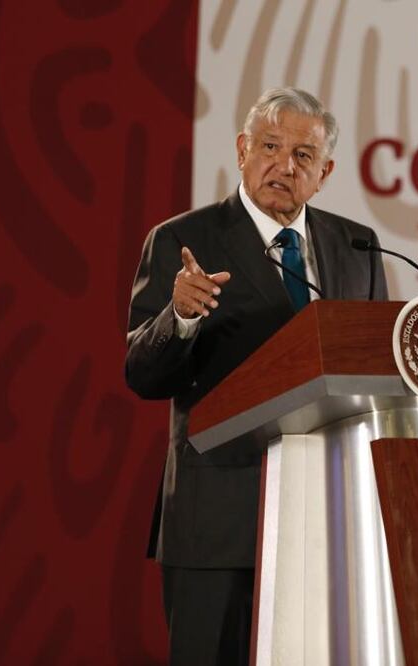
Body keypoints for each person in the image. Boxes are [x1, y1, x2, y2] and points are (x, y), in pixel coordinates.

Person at [124, 87, 388, 665]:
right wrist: (182, 317)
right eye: (271, 146)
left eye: (303, 155)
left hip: (328, 521)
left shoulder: (357, 247)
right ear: (242, 150)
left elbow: (374, 371)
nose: (284, 165)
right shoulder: (182, 240)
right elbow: (142, 374)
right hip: (217, 519)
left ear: (324, 173)